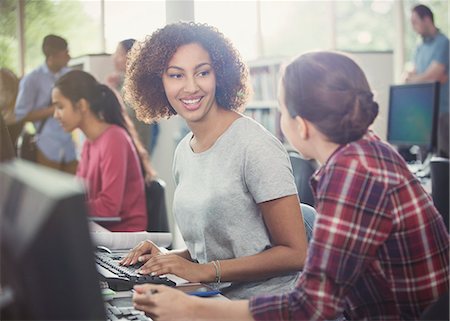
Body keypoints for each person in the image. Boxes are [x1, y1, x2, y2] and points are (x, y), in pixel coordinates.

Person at [130, 51, 449, 321]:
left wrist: (194, 309)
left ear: (301, 126)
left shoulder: (353, 174)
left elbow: (310, 305)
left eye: (282, 111)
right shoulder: (366, 153)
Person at [121, 22, 308, 299]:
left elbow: (296, 254)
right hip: (214, 300)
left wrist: (205, 272)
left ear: (219, 74)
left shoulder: (253, 144)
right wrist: (167, 257)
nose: (191, 87)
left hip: (269, 304)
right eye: (176, 75)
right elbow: (216, 249)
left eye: (202, 72)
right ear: (157, 82)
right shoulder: (184, 151)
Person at [52, 70, 148, 232]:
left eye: (60, 107)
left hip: (124, 236)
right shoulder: (89, 142)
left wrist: (64, 209)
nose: (55, 115)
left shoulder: (114, 139)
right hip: (101, 231)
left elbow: (109, 207)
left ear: (82, 105)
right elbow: (80, 193)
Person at [14, 34, 77, 173]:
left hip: (70, 147)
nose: (69, 56)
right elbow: (21, 115)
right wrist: (55, 108)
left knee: (75, 191)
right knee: (52, 191)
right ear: (52, 56)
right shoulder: (32, 79)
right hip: (47, 147)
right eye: (65, 53)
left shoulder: (70, 75)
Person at [406, 4, 449, 157]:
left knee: (443, 155)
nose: (413, 27)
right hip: (423, 111)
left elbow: (435, 76)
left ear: (427, 19)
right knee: (423, 156)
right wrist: (425, 79)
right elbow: (411, 74)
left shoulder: (444, 43)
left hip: (442, 110)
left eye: (415, 22)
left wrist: (418, 79)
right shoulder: (419, 47)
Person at [107, 39, 160, 154]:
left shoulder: (140, 85)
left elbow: (123, 115)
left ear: (132, 55)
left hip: (137, 148)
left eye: (119, 54)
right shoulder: (123, 83)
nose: (114, 58)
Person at [0, 68, 22, 149]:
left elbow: (5, 100)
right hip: (14, 120)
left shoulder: (3, 75)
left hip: (8, 122)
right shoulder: (7, 73)